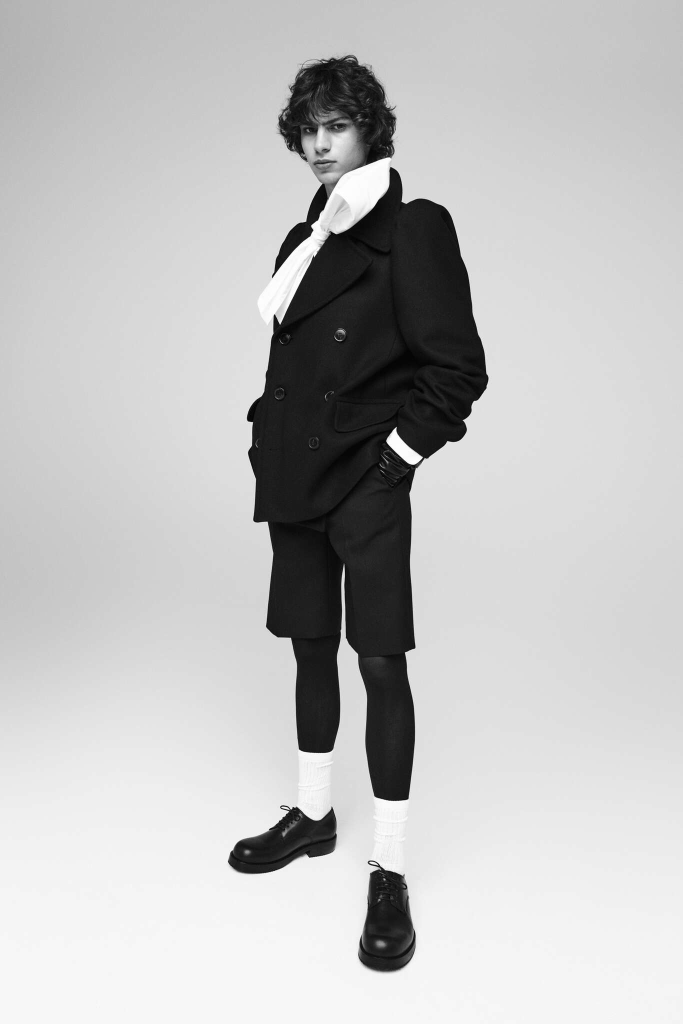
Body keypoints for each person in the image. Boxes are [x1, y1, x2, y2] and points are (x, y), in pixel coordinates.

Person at [229, 55, 488, 971]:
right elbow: (288, 363)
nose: (317, 145)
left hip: (365, 482)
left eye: (333, 127)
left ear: (369, 130)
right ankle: (312, 816)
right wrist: (263, 432)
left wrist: (394, 463)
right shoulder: (302, 237)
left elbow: (456, 368)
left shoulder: (413, 227)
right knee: (308, 645)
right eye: (307, 130)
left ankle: (390, 867)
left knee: (378, 662)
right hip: (294, 477)